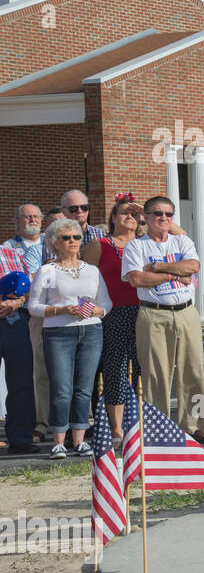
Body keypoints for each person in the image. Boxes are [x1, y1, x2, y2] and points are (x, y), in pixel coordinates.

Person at [121, 196, 204, 436]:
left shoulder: (182, 241)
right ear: (145, 218)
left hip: (187, 312)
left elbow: (192, 267)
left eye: (168, 214)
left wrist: (157, 268)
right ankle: (158, 427)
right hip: (153, 314)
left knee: (194, 371)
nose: (163, 218)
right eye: (157, 213)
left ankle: (195, 425)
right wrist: (174, 275)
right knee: (156, 374)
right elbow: (137, 279)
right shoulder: (136, 246)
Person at [29, 218, 111, 458]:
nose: (73, 242)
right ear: (55, 242)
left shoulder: (92, 270)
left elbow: (106, 301)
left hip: (91, 330)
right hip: (58, 333)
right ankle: (58, 441)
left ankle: (79, 440)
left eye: (76, 237)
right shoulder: (48, 270)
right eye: (66, 238)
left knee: (85, 388)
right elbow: (34, 306)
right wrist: (62, 310)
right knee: (62, 388)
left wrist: (99, 311)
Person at [83, 195, 144, 441]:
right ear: (113, 218)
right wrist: (89, 312)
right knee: (115, 369)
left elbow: (178, 234)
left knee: (142, 368)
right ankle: (116, 429)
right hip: (113, 314)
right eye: (123, 213)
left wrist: (144, 210)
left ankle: (141, 422)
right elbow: (83, 281)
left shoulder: (146, 243)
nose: (129, 217)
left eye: (133, 214)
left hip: (145, 311)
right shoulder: (101, 245)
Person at [7, 204, 48, 444]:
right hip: (22, 315)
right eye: (26, 217)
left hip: (53, 314)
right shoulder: (7, 249)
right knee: (30, 372)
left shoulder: (52, 242)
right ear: (16, 221)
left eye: (36, 216)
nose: (32, 220)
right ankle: (34, 424)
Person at [0, 239, 36, 454]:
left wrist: (18, 301)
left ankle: (20, 439)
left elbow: (31, 288)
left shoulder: (13, 253)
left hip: (15, 321)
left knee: (21, 381)